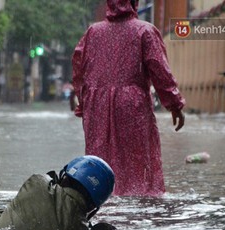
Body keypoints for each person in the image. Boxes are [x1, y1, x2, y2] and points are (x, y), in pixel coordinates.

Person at [72, 0, 186, 196]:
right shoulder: (145, 31)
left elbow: (79, 70)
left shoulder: (93, 32)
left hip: (96, 105)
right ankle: (138, 199)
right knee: (136, 160)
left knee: (100, 157)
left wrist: (83, 103)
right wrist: (174, 104)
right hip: (132, 106)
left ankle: (102, 197)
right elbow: (160, 70)